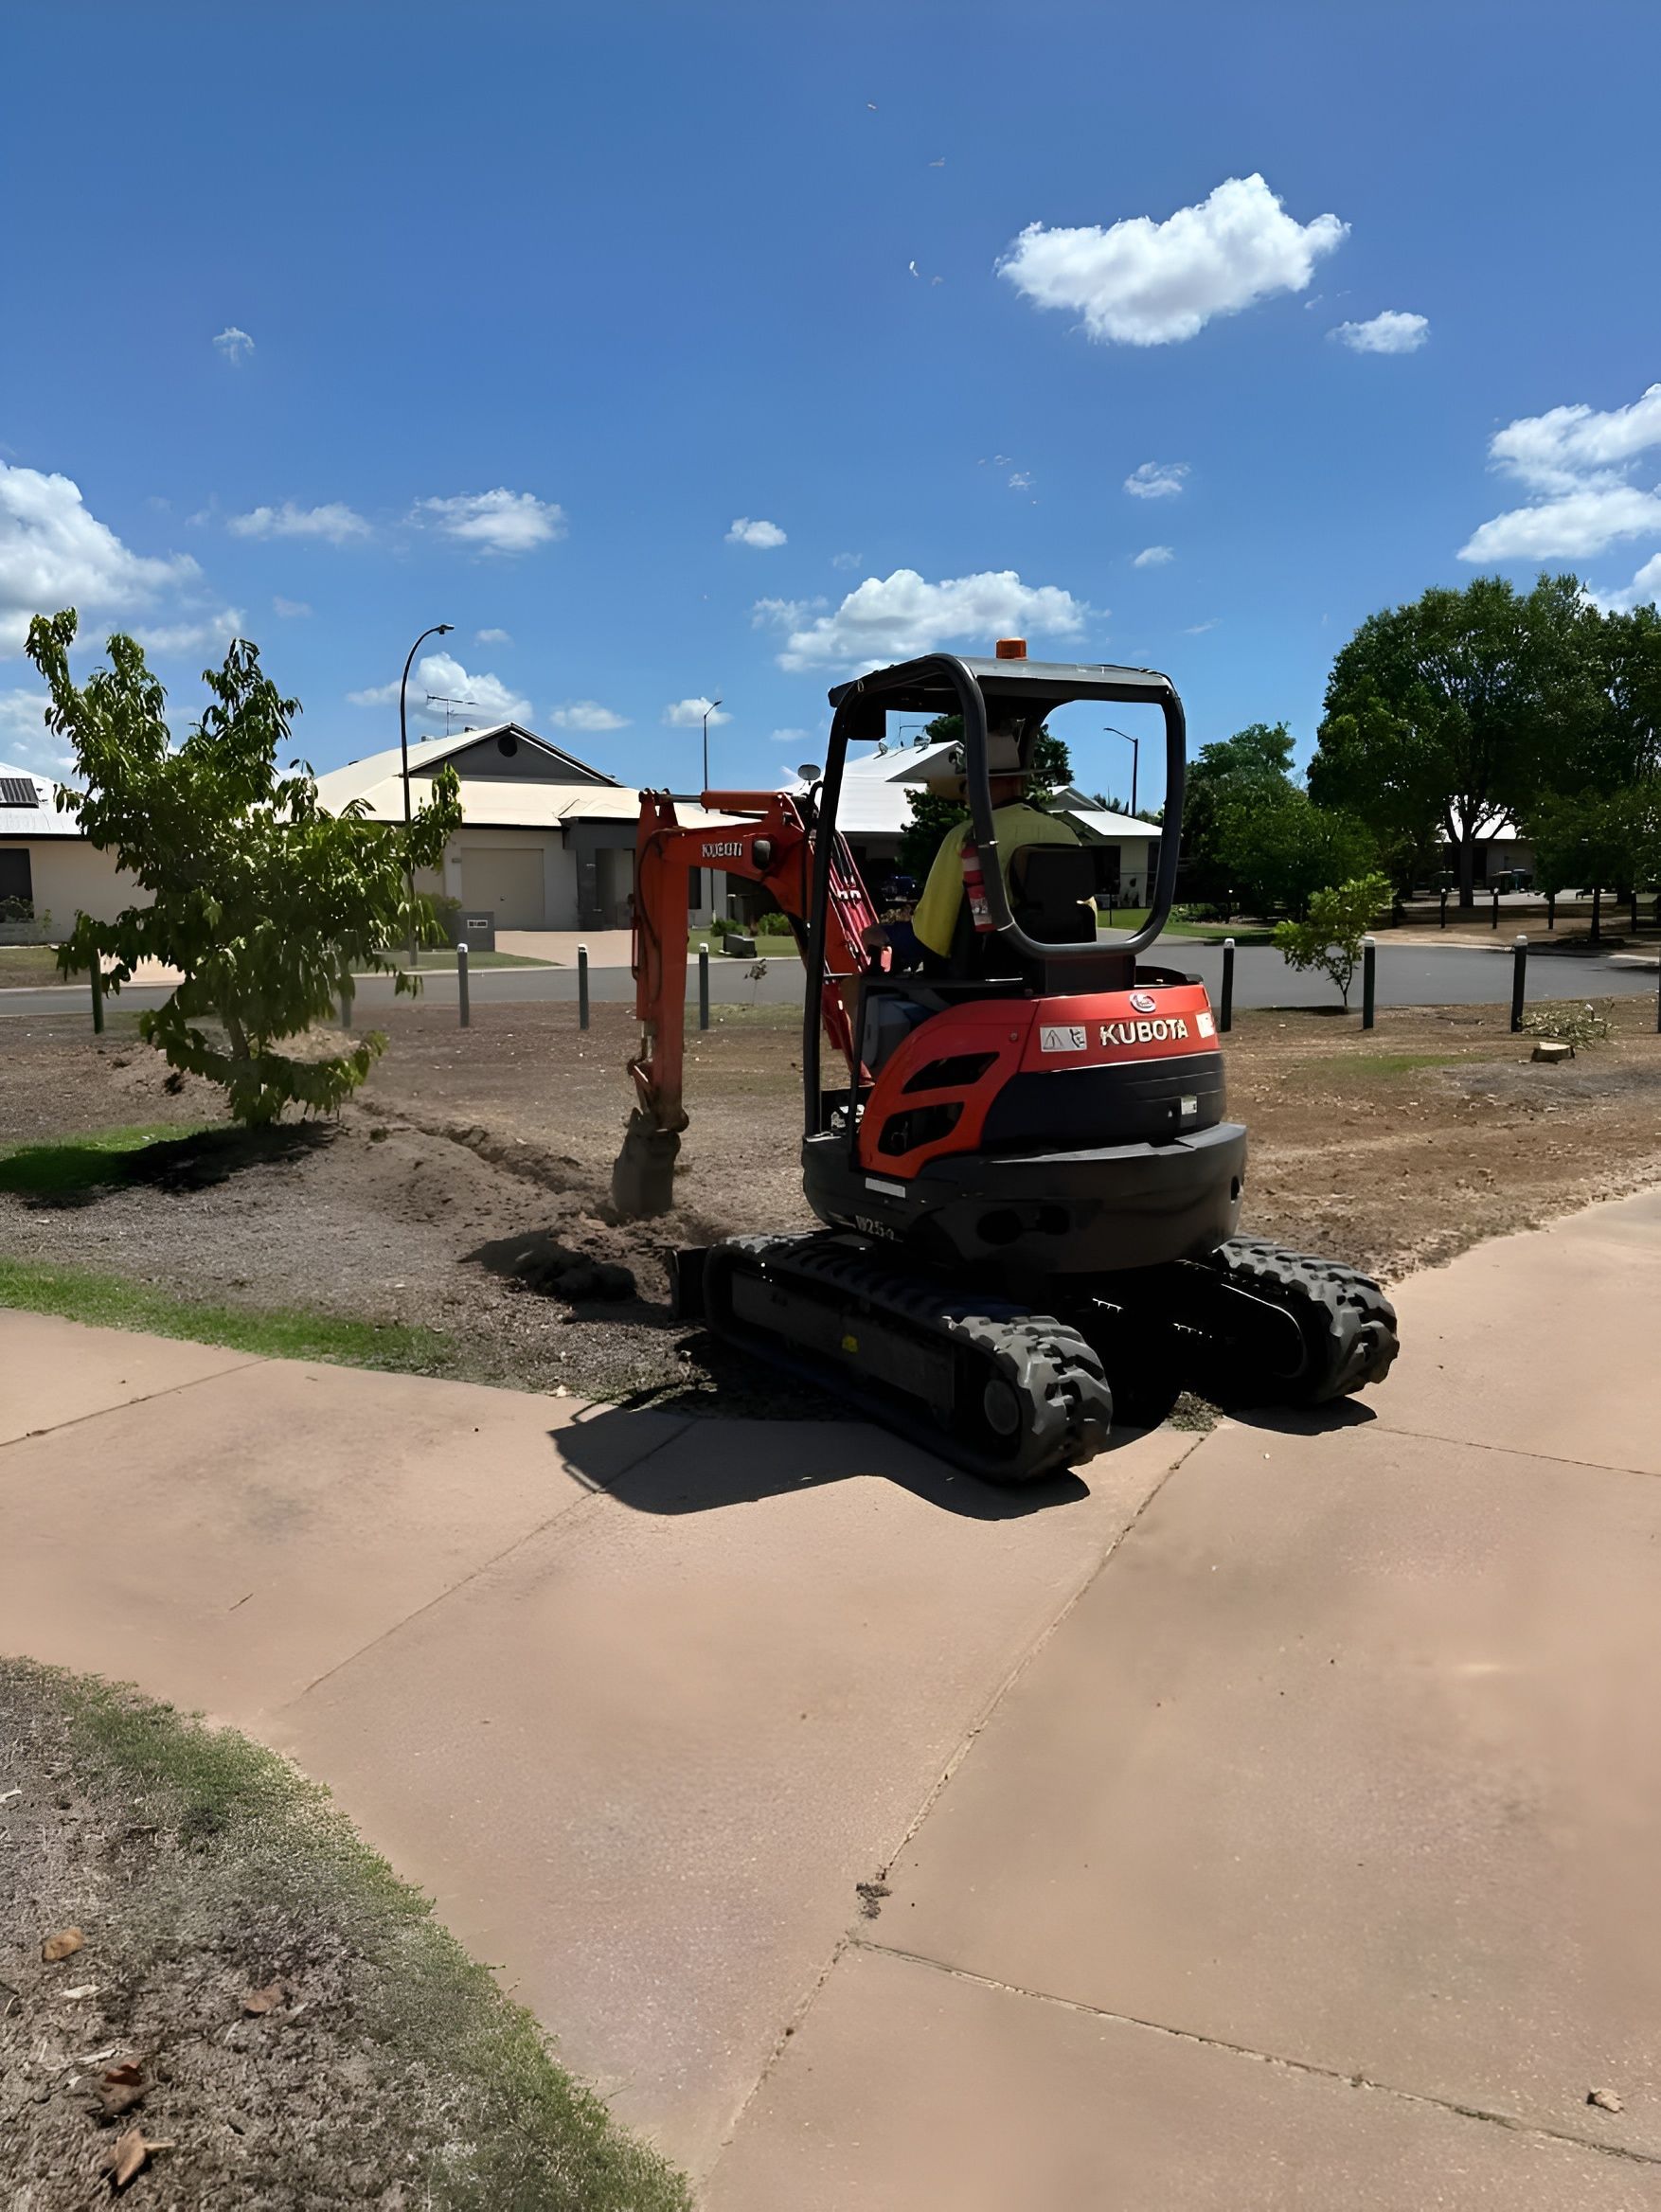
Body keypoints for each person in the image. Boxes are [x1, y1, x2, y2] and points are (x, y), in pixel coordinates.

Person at [910, 728, 1079, 962]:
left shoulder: (968, 836)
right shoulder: (1065, 833)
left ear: (978, 783)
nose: (966, 796)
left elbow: (933, 934)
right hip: (1061, 967)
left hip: (984, 973)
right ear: (1018, 780)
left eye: (966, 784)